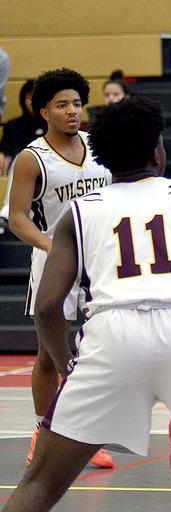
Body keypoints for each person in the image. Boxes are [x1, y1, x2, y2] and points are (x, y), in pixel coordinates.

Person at [1, 96, 171, 512]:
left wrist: (65, 366)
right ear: (157, 150)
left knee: (40, 484)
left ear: (103, 159)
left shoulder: (79, 212)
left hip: (111, 335)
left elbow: (47, 307)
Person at [7, 68, 114, 469]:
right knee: (50, 355)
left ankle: (85, 436)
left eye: (76, 103)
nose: (72, 111)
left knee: (98, 350)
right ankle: (44, 430)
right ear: (44, 111)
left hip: (102, 261)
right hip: (54, 264)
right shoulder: (32, 159)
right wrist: (52, 246)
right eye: (62, 105)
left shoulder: (97, 145)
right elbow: (18, 217)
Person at [0, 80, 46, 233]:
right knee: (22, 158)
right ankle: (7, 212)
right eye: (29, 97)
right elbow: (6, 149)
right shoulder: (14, 125)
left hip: (47, 167)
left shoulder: (50, 124)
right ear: (23, 99)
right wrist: (3, 155)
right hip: (20, 169)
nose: (32, 101)